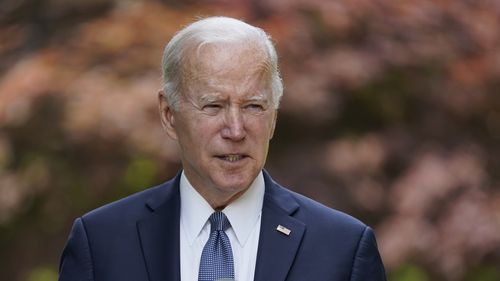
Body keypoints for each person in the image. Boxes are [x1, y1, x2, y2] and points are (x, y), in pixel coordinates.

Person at [58, 16, 387, 281]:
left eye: (254, 106)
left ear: (274, 116)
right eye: (213, 106)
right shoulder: (100, 244)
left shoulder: (343, 249)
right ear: (169, 114)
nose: (236, 129)